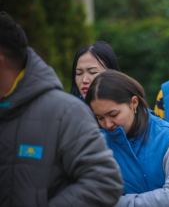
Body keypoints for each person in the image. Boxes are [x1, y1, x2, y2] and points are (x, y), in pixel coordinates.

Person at [0, 14, 123, 206]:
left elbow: (104, 182)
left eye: (92, 72)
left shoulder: (66, 114)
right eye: (79, 73)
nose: (85, 80)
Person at [85, 70, 169, 207]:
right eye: (100, 118)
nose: (107, 124)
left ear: (133, 102)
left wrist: (120, 203)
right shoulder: (99, 144)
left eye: (113, 114)